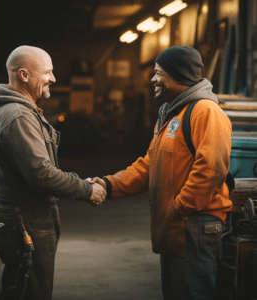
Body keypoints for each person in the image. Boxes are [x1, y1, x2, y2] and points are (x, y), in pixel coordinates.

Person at [90, 46, 233, 300]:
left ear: (178, 76)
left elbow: (211, 169)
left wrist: (180, 207)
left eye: (159, 73)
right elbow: (149, 166)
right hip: (176, 227)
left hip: (193, 226)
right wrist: (109, 184)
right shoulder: (170, 114)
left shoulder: (205, 112)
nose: (153, 79)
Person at [0, 45, 106, 300]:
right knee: (31, 291)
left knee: (21, 287)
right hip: (25, 220)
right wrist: (87, 190)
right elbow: (41, 175)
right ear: (24, 75)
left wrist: (78, 183)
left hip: (25, 218)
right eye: (47, 72)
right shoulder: (17, 115)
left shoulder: (20, 111)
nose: (53, 78)